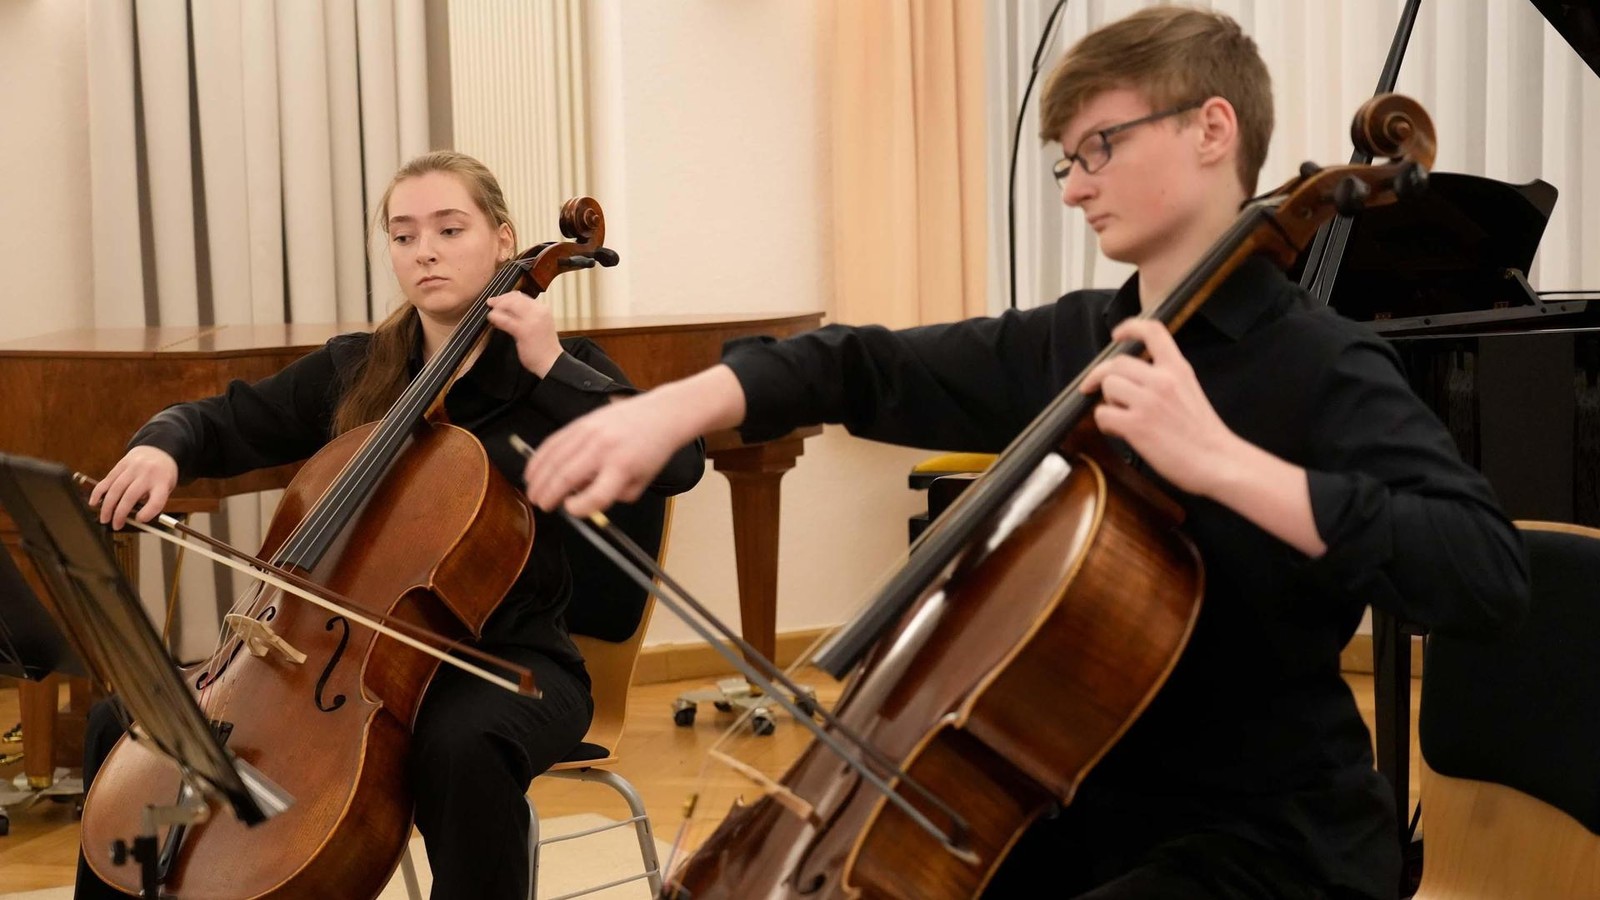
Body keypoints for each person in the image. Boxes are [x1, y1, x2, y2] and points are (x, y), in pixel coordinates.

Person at [519, 7, 1530, 900]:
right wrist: (674, 408)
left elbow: (1482, 571)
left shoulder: (1322, 364)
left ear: (1211, 129)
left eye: (1097, 148)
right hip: (1069, 808)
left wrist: (1218, 459)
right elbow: (858, 367)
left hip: (1268, 842)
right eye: (1066, 160)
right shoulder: (1072, 342)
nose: (1072, 189)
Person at [78, 150, 705, 900]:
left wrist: (550, 364)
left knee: (461, 746)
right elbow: (220, 422)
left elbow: (681, 461)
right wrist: (161, 446)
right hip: (319, 663)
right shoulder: (362, 366)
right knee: (126, 722)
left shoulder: (551, 372)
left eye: (449, 228)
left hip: (511, 665)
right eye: (404, 235)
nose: (425, 251)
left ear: (504, 240)